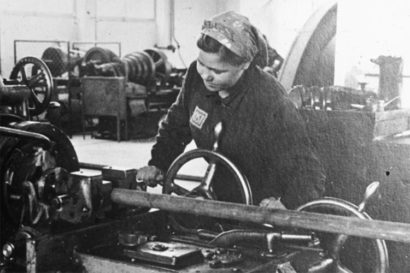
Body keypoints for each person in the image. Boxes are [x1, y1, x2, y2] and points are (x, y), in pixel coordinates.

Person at [137, 11, 325, 209]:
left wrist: (288, 204)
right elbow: (176, 126)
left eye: (218, 71)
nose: (206, 76)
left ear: (244, 65)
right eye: (202, 64)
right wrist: (158, 163)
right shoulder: (195, 76)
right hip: (218, 193)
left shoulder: (268, 97)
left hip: (261, 204)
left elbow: (308, 167)